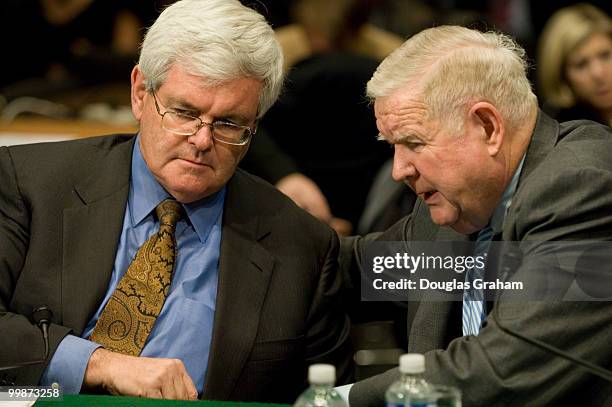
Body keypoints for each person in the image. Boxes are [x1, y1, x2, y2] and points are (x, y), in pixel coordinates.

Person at [0, 0, 352, 402]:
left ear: (255, 123)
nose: (202, 141)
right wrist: (100, 363)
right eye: (184, 112)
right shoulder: (29, 183)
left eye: (229, 124)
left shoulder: (302, 246)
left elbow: (327, 396)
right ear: (139, 93)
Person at [340, 25, 612, 406]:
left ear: (488, 127)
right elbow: (352, 270)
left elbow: (507, 366)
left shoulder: (586, 188)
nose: (399, 170)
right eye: (394, 147)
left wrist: (334, 400)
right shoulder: (459, 204)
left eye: (413, 143)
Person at [538, 3, 612, 126]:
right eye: (581, 64)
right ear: (563, 76)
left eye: (605, 55)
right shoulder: (562, 134)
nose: (598, 73)